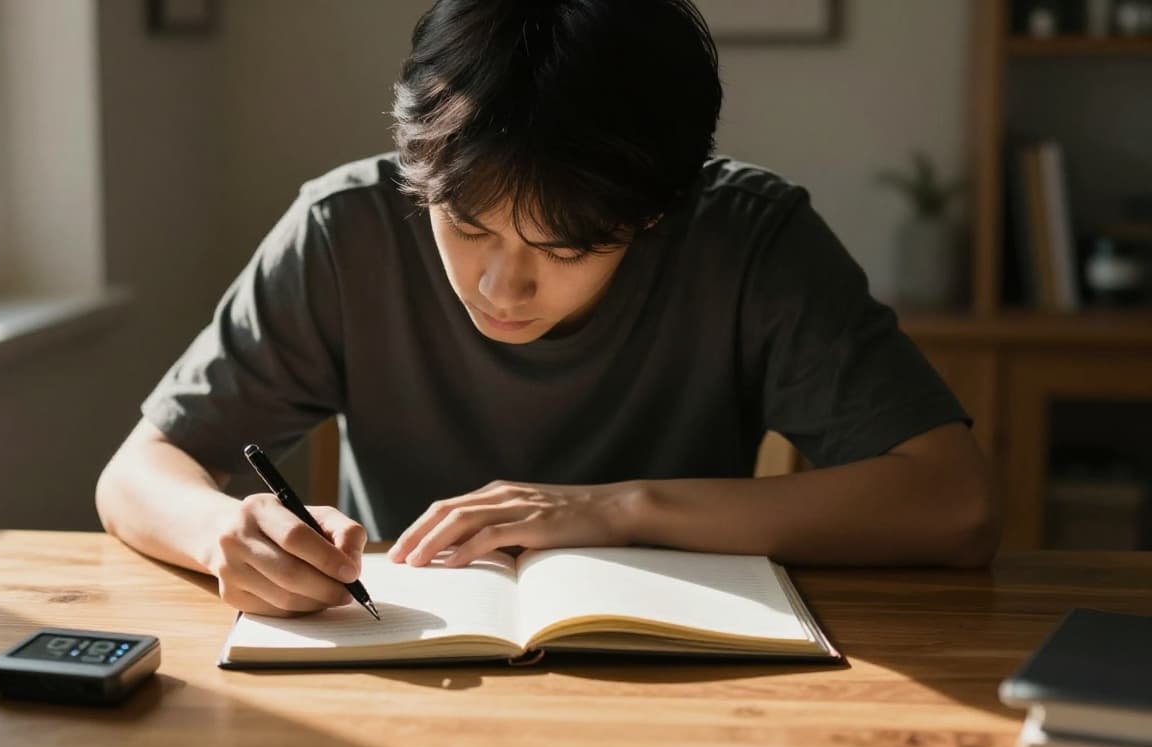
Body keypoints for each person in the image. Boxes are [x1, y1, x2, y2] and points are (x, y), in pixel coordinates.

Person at [96, 0, 997, 618]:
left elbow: (953, 501)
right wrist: (229, 531)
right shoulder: (345, 231)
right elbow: (137, 473)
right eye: (467, 226)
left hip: (684, 679)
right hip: (402, 677)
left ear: (656, 211)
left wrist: (619, 510)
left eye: (565, 249)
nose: (502, 287)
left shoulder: (750, 241)